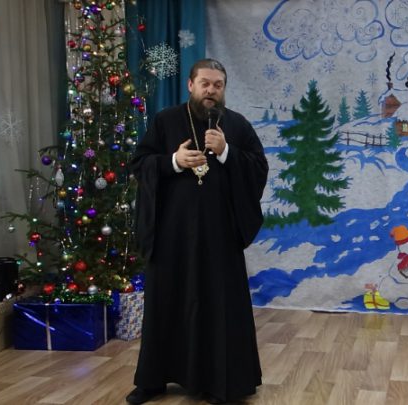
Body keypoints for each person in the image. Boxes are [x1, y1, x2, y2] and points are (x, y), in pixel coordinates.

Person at [127, 59, 268, 404]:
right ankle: (153, 380)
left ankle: (221, 383)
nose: (211, 90)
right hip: (171, 235)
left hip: (220, 237)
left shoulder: (236, 125)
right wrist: (173, 162)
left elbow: (258, 168)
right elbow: (140, 164)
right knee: (166, 304)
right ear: (191, 85)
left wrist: (227, 152)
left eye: (218, 85)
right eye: (205, 83)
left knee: (219, 308)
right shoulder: (165, 121)